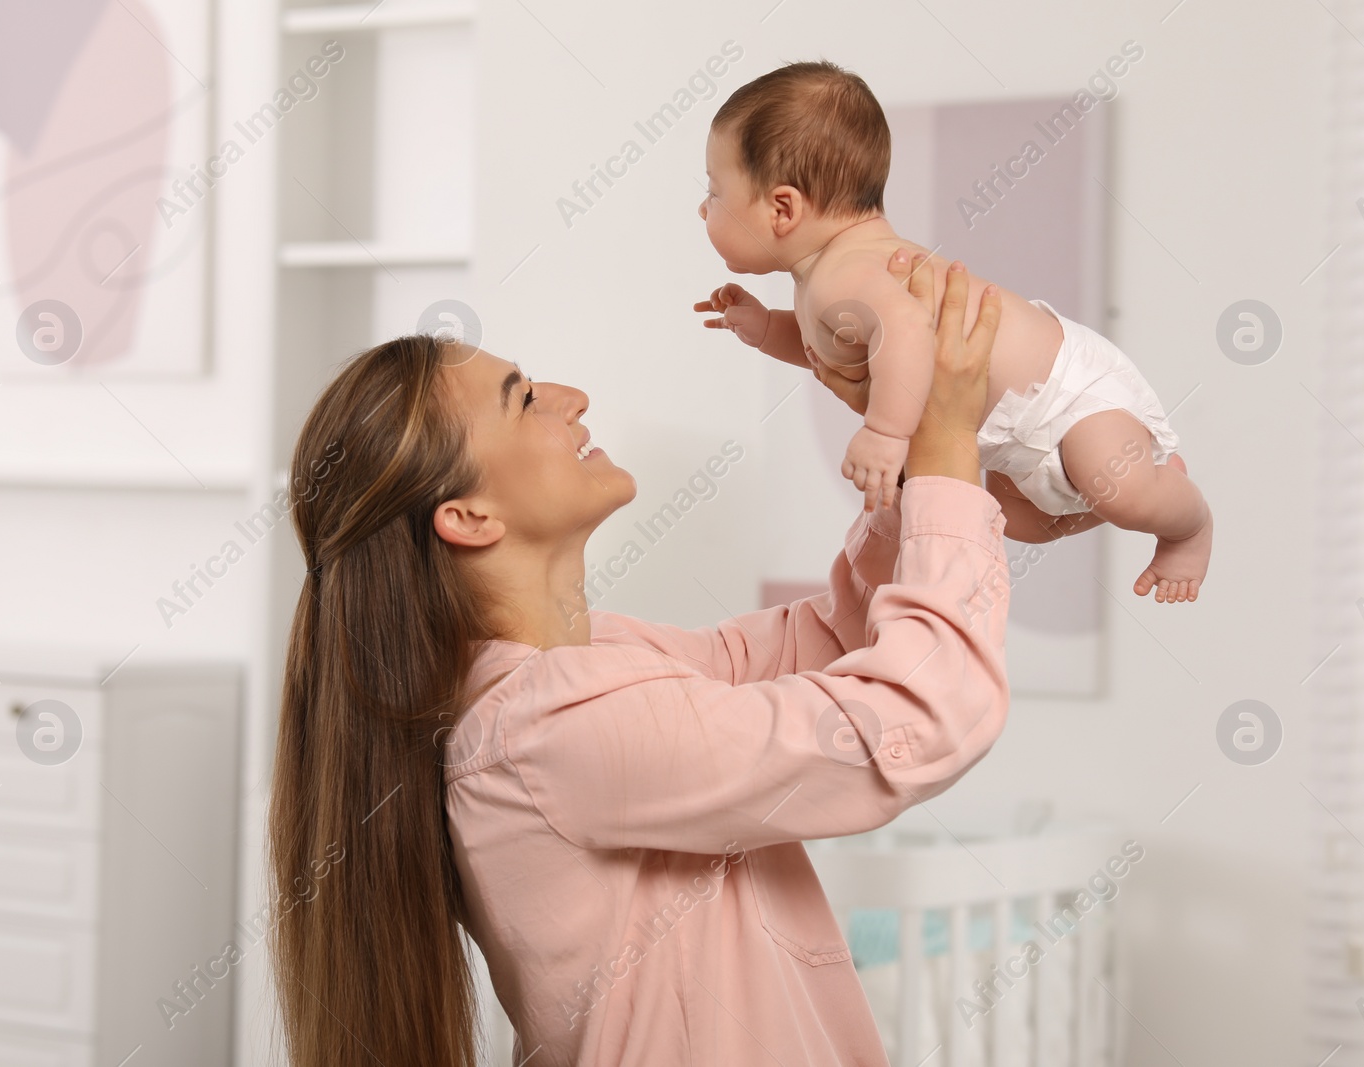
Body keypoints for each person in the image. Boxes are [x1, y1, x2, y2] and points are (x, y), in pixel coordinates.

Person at [267, 251, 1008, 1067]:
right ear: (469, 515)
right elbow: (910, 724)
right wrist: (948, 459)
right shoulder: (549, 726)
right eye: (524, 400)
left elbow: (831, 645)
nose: (572, 399)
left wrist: (908, 465)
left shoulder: (599, 664)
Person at [696, 60, 1211, 603]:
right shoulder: (825, 280)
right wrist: (761, 328)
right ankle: (1140, 485)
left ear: (782, 208)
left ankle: (1186, 524)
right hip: (1007, 437)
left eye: (714, 191)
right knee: (1018, 522)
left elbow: (908, 330)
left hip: (1064, 393)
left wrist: (886, 433)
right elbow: (831, 349)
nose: (703, 207)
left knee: (1121, 491)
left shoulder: (845, 272)